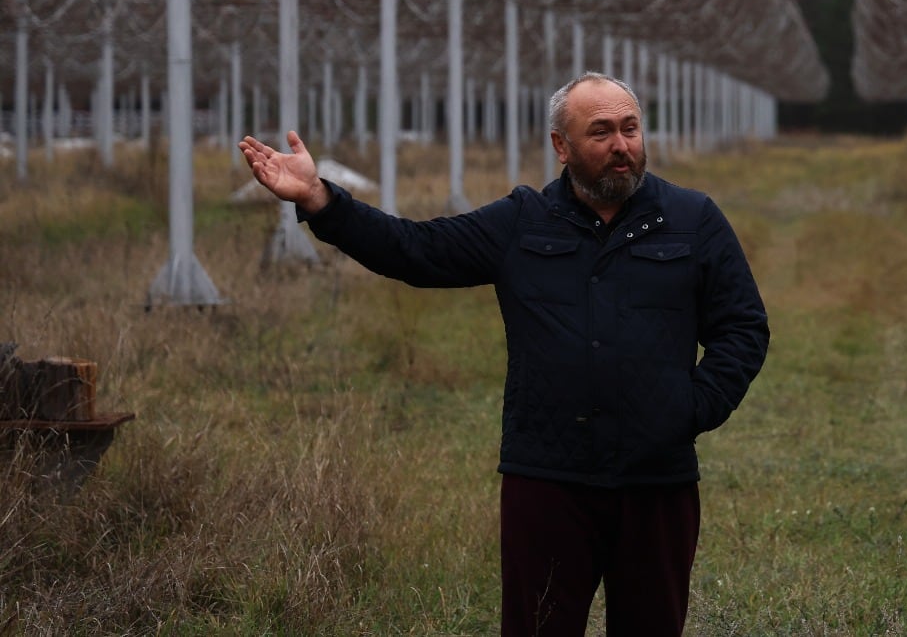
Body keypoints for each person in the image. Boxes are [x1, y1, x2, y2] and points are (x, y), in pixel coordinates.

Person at [239, 72, 769, 637]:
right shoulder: (522, 221)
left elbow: (743, 326)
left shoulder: (691, 219)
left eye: (631, 130)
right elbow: (416, 251)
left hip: (656, 480)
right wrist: (321, 199)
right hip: (547, 479)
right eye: (601, 132)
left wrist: (691, 408)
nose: (621, 146)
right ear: (561, 147)